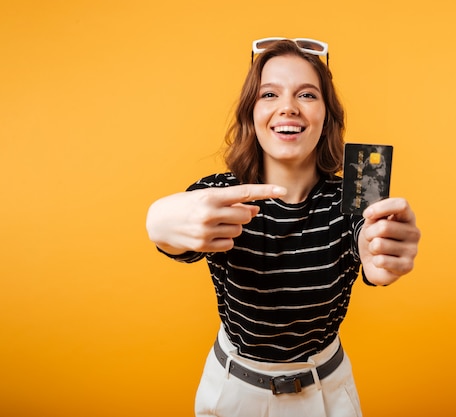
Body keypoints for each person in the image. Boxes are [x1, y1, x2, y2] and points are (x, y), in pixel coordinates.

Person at [146, 37, 421, 417]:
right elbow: (177, 230)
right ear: (251, 112)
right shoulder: (221, 195)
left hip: (326, 396)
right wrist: (158, 219)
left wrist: (382, 254)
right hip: (232, 394)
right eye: (270, 94)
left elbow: (369, 236)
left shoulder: (355, 198)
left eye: (307, 95)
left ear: (327, 116)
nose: (288, 107)